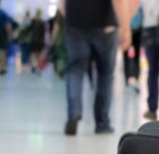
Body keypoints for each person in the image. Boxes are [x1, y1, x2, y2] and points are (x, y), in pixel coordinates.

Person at [61, 0, 133, 136]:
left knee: (75, 71)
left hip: (75, 25)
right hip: (105, 26)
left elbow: (62, 3)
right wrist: (126, 28)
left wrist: (71, 19)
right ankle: (102, 122)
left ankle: (74, 113)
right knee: (105, 74)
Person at [123, 5, 142, 90]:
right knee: (127, 56)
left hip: (136, 30)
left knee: (136, 56)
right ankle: (128, 77)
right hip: (130, 29)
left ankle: (134, 77)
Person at [28, 8, 45, 74]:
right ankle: (38, 67)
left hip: (33, 40)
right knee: (39, 55)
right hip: (40, 40)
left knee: (32, 54)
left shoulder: (32, 21)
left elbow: (29, 30)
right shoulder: (42, 22)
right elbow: (43, 32)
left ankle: (33, 66)